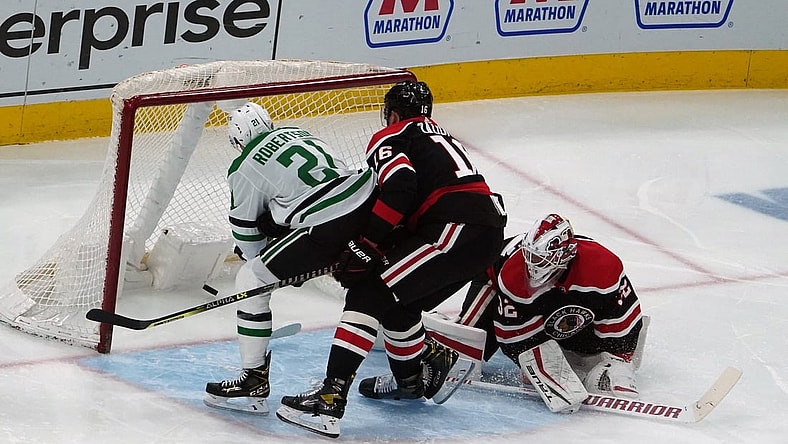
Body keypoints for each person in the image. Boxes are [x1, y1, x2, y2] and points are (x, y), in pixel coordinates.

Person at [277, 81, 508, 438]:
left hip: (456, 227)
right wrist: (374, 247)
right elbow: (417, 201)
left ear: (393, 113)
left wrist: (366, 244)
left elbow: (400, 186)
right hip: (483, 234)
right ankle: (412, 381)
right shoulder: (438, 137)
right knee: (399, 305)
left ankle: (329, 399)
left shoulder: (393, 134)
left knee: (368, 294)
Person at [203, 102, 378, 415]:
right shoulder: (300, 133)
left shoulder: (244, 166)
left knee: (251, 278)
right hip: (366, 203)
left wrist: (279, 267)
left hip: (326, 221)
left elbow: (248, 240)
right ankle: (417, 355)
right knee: (373, 282)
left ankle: (253, 379)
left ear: (237, 140)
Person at [453, 213, 645, 410]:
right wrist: (533, 365)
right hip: (494, 277)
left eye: (541, 260)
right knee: (463, 353)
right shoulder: (513, 273)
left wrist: (619, 357)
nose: (532, 266)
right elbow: (512, 336)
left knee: (585, 341)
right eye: (531, 257)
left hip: (565, 292)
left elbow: (620, 314)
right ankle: (452, 328)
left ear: (566, 254)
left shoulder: (602, 265)